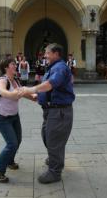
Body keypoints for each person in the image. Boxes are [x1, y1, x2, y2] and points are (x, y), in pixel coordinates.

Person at [21, 43, 75, 184]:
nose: (45, 56)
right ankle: (54, 158)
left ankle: (55, 172)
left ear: (56, 53)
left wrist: (30, 89)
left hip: (59, 112)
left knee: (54, 140)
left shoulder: (60, 68)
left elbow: (50, 84)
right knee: (47, 136)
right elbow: (47, 92)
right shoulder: (52, 67)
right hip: (51, 110)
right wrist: (24, 94)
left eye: (47, 53)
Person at [0, 58, 24, 183]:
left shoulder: (15, 81)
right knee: (12, 144)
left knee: (18, 140)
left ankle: (9, 161)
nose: (15, 66)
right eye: (13, 64)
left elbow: (23, 92)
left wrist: (36, 98)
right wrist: (14, 94)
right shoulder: (2, 80)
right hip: (2, 117)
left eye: (15, 64)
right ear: (6, 67)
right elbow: (3, 92)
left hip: (14, 116)